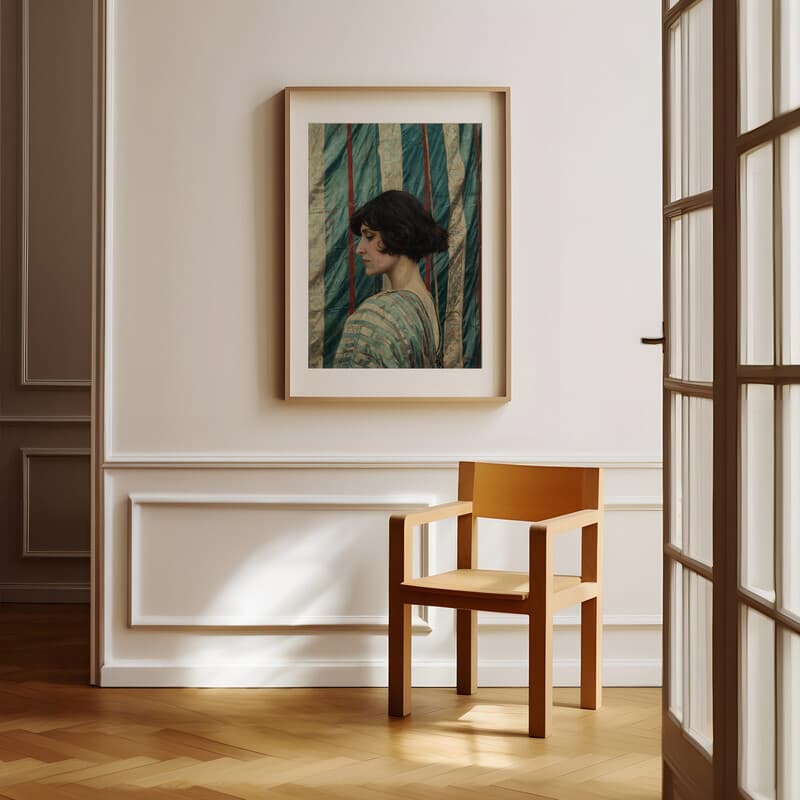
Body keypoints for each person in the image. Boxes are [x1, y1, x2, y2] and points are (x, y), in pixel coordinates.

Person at [334, 190, 448, 368]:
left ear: (399, 235)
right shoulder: (426, 302)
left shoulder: (374, 316)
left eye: (369, 236)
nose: (359, 249)